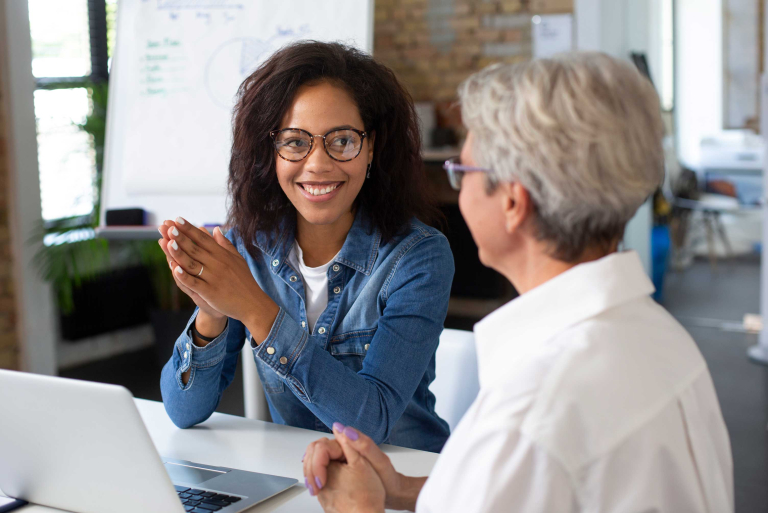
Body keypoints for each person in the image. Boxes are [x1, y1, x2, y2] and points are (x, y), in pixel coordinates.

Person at [301, 53, 734, 512]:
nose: (458, 188)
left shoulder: (532, 414)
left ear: (513, 202)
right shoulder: (662, 337)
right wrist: (400, 489)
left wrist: (359, 508)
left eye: (462, 171)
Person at [157, 41, 454, 463]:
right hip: (302, 482)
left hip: (407, 481)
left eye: (342, 141)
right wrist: (211, 310)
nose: (317, 164)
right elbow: (183, 411)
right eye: (295, 142)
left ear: (372, 148)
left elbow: (372, 422)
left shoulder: (418, 256)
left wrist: (257, 310)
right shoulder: (250, 245)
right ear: (270, 152)